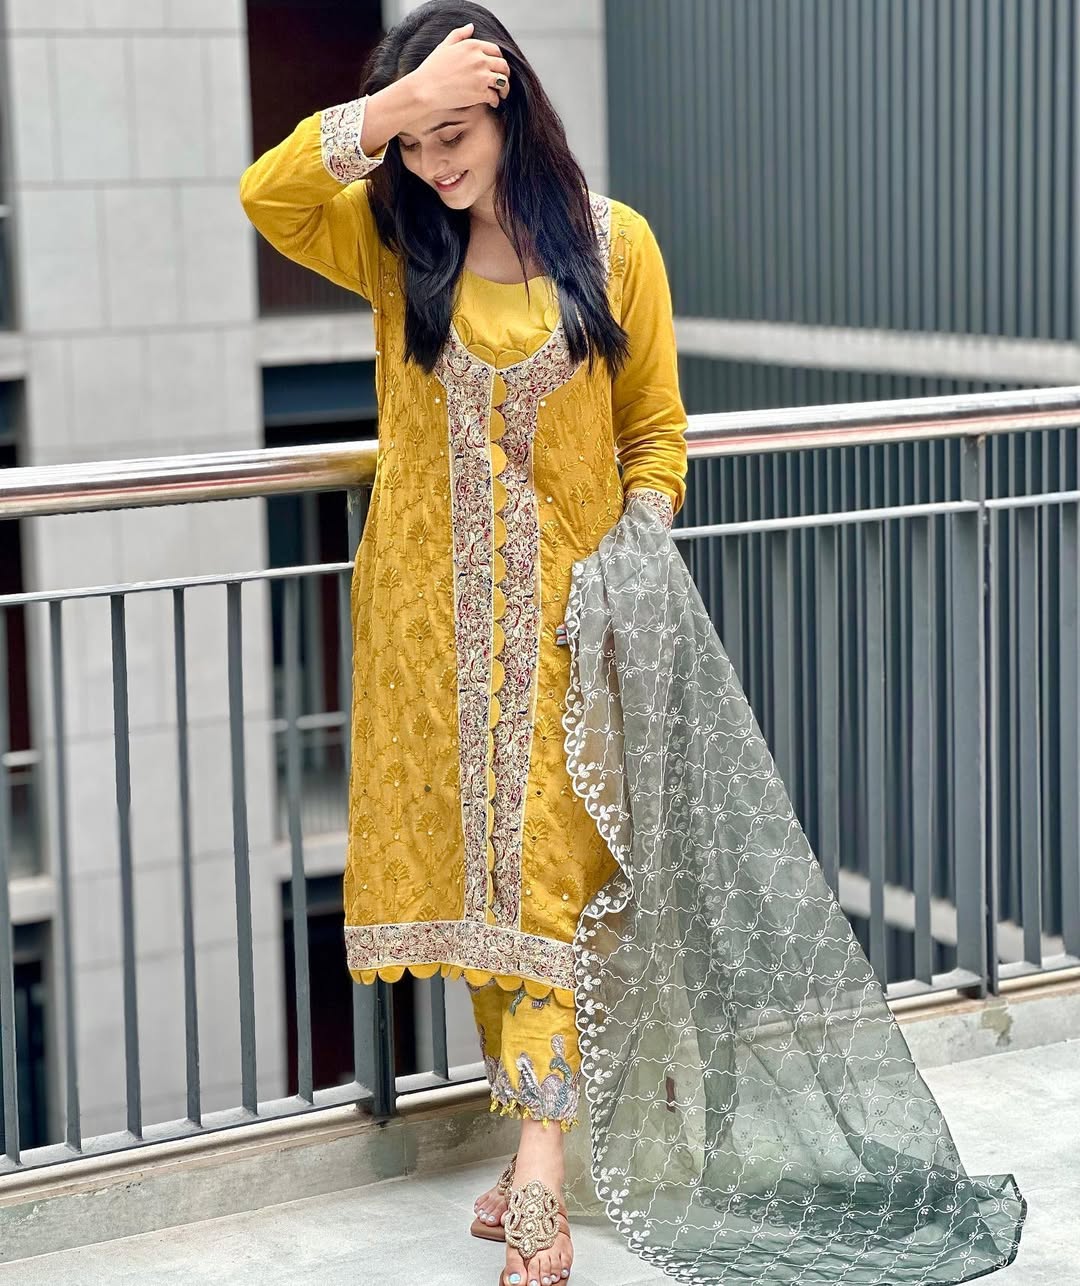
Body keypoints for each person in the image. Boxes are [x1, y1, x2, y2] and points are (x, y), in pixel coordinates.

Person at [239, 5, 687, 1286]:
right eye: (416, 144)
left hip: (567, 625)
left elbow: (656, 435)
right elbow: (269, 195)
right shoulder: (394, 245)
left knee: (542, 873)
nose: (437, 164)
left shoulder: (617, 246)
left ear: (511, 112)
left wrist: (632, 551)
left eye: (456, 134)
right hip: (426, 633)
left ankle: (539, 1161)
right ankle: (534, 1136)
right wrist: (390, 107)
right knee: (480, 886)